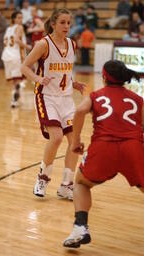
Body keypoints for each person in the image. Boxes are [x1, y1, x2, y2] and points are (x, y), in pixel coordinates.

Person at [63, 60, 144, 248]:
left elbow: (80, 110)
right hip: (133, 148)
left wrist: (76, 141)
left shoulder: (96, 95)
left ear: (104, 77)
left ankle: (80, 227)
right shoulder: (137, 99)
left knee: (81, 183)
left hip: (103, 147)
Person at [21, 8, 86, 200]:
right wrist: (37, 79)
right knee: (56, 137)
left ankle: (66, 185)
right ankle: (43, 178)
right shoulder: (44, 44)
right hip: (46, 97)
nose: (67, 26)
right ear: (53, 24)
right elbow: (24, 66)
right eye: (63, 22)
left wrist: (73, 83)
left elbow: (64, 71)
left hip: (66, 98)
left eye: (69, 22)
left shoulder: (72, 45)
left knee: (75, 142)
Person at [1, 11, 31, 107]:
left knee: (15, 80)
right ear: (14, 19)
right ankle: (14, 100)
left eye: (21, 18)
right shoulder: (20, 27)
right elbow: (17, 40)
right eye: (18, 18)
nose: (20, 20)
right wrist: (27, 46)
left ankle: (15, 98)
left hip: (6, 56)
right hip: (16, 56)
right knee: (18, 80)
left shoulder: (8, 29)